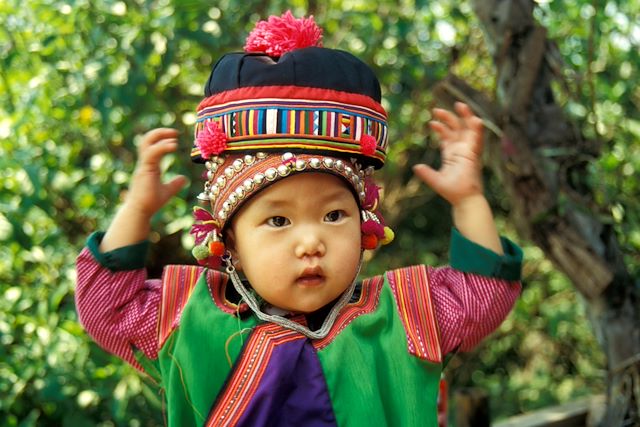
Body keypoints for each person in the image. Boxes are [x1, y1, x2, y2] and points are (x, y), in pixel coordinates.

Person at [75, 11, 522, 427]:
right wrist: (135, 212)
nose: (311, 242)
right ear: (229, 243)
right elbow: (105, 307)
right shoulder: (187, 321)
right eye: (278, 222)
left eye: (333, 214)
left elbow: (483, 292)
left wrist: (468, 201)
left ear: (364, 223)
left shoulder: (404, 317)